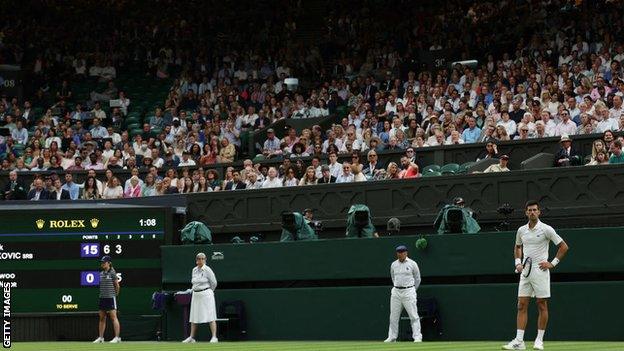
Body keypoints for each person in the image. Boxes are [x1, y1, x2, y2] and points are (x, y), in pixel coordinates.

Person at [503, 200, 569, 351]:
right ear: (526, 212)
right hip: (525, 272)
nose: (532, 212)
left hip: (541, 271)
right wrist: (517, 263)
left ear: (539, 212)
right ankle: (519, 342)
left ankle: (539, 340)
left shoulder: (546, 229)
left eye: (534, 210)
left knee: (541, 304)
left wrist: (552, 263)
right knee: (521, 305)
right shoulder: (521, 230)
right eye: (529, 210)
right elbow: (518, 246)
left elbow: (563, 246)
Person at [384, 245, 422, 343]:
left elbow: (417, 279)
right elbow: (393, 278)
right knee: (393, 316)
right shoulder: (393, 265)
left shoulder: (413, 264)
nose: (400, 254)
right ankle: (392, 337)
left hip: (409, 292)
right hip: (396, 292)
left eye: (402, 252)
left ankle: (417, 337)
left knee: (413, 315)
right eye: (398, 252)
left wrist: (412, 289)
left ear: (406, 253)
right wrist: (398, 286)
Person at [182, 252, 218, 343]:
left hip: (206, 295)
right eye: (199, 259)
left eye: (203, 259)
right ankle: (191, 337)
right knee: (194, 317)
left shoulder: (208, 270)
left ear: (205, 260)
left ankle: (214, 337)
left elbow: (214, 283)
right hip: (196, 295)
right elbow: (194, 283)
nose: (201, 260)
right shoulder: (194, 270)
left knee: (211, 316)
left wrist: (208, 291)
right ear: (196, 261)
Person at [93, 255, 121, 343]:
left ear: (109, 263)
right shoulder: (101, 274)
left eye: (104, 262)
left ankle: (117, 338)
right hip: (102, 298)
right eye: (102, 262)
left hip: (110, 298)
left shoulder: (112, 272)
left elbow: (117, 285)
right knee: (102, 318)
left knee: (113, 317)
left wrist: (115, 294)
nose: (102, 264)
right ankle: (101, 338)